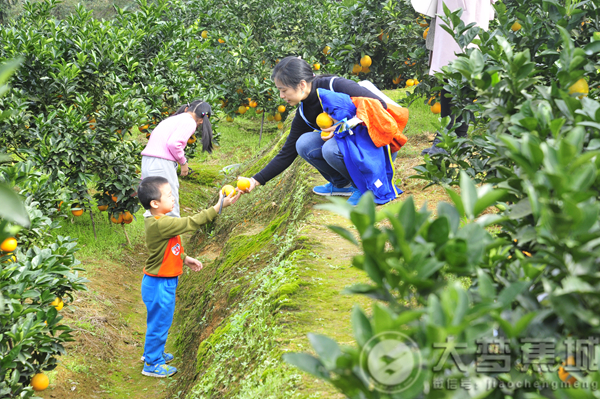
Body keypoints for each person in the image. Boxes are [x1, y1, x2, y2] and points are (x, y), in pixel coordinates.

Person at [237, 56, 406, 205]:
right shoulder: (304, 112)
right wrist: (255, 180)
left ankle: (364, 187)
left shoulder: (335, 85)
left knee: (331, 148)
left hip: (376, 146)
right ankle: (342, 184)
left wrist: (344, 126)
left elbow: (379, 106)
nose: (281, 96)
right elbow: (286, 153)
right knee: (303, 144)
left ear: (302, 84)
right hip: (352, 148)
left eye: (284, 90)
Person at [137, 176, 240, 378]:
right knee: (160, 322)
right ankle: (151, 363)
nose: (173, 197)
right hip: (159, 282)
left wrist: (184, 258)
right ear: (154, 203)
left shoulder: (158, 221)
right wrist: (219, 206)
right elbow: (191, 223)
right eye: (168, 195)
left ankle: (153, 353)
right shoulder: (160, 223)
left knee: (159, 321)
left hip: (160, 280)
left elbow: (167, 248)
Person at [421, 0, 496, 155]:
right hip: (461, 7)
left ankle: (452, 137)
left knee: (459, 69)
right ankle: (454, 137)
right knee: (455, 69)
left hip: (466, 8)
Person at [141, 100, 213, 217]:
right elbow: (174, 144)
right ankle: (173, 235)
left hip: (147, 162)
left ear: (186, 109)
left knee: (153, 208)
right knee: (169, 204)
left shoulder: (172, 119)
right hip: (162, 164)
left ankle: (155, 234)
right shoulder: (190, 122)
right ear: (202, 120)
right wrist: (183, 162)